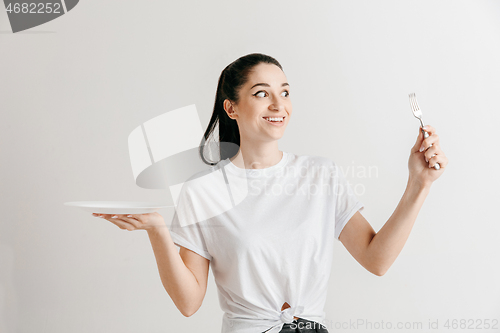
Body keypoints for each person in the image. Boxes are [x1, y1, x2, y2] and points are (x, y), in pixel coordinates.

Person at [91, 53, 448, 333]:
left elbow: (376, 259)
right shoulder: (204, 191)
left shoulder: (319, 174)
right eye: (262, 93)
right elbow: (189, 302)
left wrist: (419, 185)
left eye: (285, 92)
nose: (279, 105)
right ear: (231, 107)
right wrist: (158, 232)